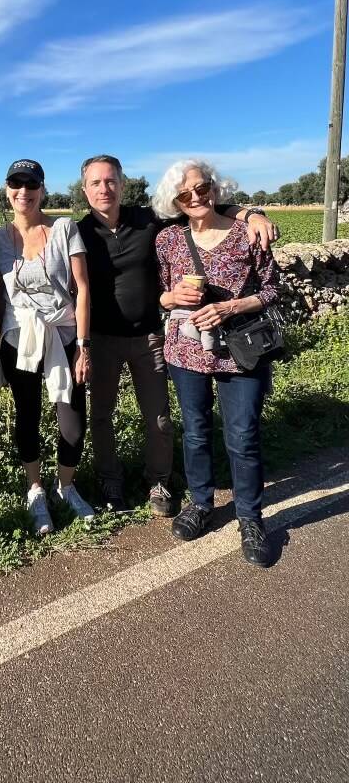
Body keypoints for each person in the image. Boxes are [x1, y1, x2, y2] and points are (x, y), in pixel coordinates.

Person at [77, 155, 277, 517]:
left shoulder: (150, 220)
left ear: (123, 184)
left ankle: (160, 482)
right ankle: (111, 482)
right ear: (84, 189)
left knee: (159, 418)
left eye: (111, 181)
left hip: (150, 337)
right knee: (102, 416)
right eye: (96, 183)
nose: (104, 189)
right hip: (102, 338)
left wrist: (251, 214)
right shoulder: (76, 233)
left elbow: (201, 203)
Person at [153, 159, 279, 568]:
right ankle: (201, 503)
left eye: (201, 188)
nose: (195, 197)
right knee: (195, 430)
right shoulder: (169, 239)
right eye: (184, 194)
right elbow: (160, 293)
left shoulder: (248, 233)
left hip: (240, 351)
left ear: (214, 187)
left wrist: (230, 307)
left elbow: (273, 290)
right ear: (174, 201)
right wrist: (172, 299)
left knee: (242, 435)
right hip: (186, 351)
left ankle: (250, 518)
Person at [0, 159, 93, 536]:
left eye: (31, 185)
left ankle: (66, 487)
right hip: (20, 342)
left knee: (73, 423)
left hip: (63, 338)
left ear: (42, 190)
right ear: (6, 189)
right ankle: (35, 490)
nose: (23, 192)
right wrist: (1, 342)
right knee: (27, 416)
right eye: (16, 184)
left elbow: (82, 289)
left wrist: (83, 345)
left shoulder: (64, 229)